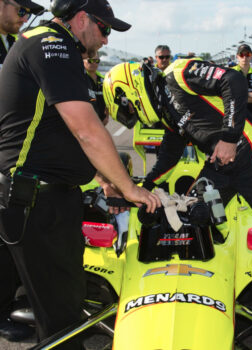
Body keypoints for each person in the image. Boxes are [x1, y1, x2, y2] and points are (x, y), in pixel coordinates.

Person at [104, 59, 252, 349]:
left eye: (128, 110)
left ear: (131, 92)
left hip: (248, 153)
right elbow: (169, 157)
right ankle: (202, 304)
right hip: (219, 166)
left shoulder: (178, 73)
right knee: (191, 214)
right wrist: (139, 189)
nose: (134, 118)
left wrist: (228, 136)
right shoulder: (166, 113)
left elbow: (234, 80)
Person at [0, 0, 160, 348]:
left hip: (40, 197)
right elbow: (85, 130)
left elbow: (62, 134)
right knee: (63, 321)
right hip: (34, 199)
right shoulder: (52, 44)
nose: (105, 40)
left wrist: (105, 181)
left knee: (60, 307)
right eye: (104, 29)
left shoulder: (53, 45)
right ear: (82, 18)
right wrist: (129, 188)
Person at [0, 0, 44, 342]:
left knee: (13, 235)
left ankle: (13, 297)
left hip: (9, 154)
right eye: (21, 9)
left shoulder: (9, 41)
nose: (25, 17)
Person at [231, 44, 252, 119]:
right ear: (237, 56)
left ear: (251, 56)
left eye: (247, 54)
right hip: (234, 115)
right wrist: (251, 95)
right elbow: (228, 96)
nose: (245, 57)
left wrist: (239, 99)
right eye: (241, 54)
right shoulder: (231, 72)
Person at [84, 53, 108, 125]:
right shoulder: (80, 78)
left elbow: (108, 99)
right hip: (86, 121)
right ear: (83, 61)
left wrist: (107, 116)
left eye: (97, 61)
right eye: (90, 61)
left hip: (102, 120)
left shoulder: (104, 79)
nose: (94, 63)